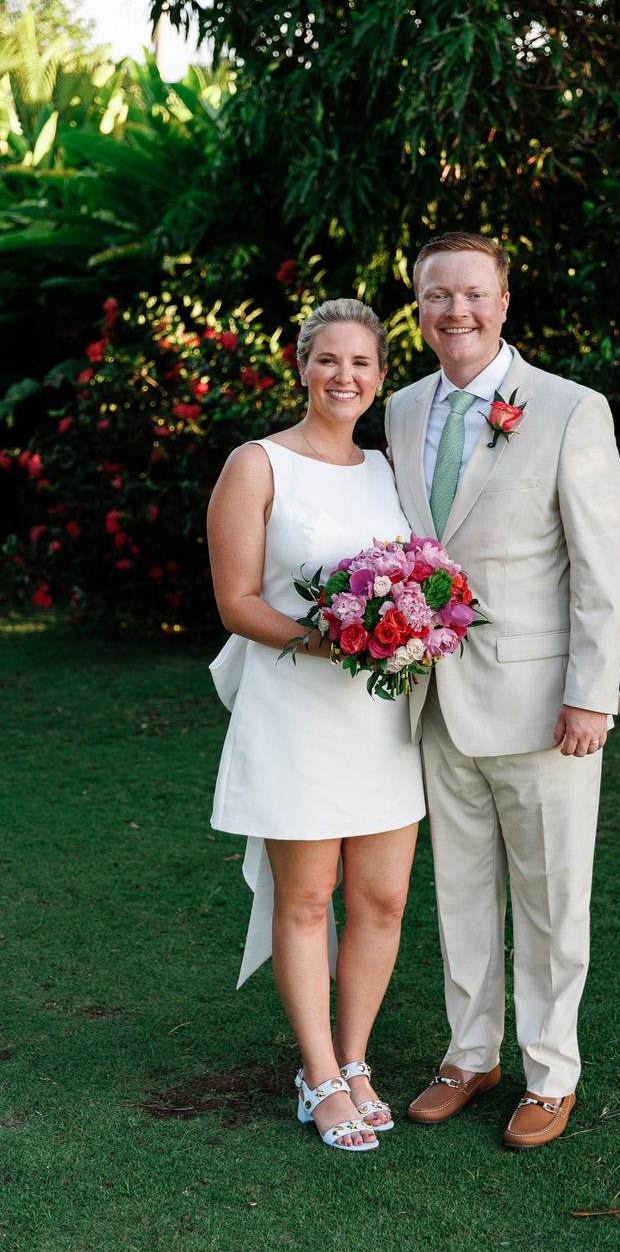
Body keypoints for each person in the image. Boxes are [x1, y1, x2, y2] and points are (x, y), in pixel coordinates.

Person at [385, 232, 620, 1150]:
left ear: (502, 302)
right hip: (433, 699)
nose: (456, 310)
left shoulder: (569, 408)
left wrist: (590, 695)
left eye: (472, 294)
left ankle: (550, 1072)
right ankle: (469, 1055)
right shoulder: (401, 409)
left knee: (551, 897)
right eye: (437, 295)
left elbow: (600, 563)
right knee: (459, 892)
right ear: (418, 307)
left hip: (541, 705)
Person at [207, 298, 425, 1152]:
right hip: (296, 708)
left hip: (380, 716)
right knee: (306, 901)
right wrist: (326, 641)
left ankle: (357, 1060)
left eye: (361, 362)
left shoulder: (387, 470)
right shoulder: (256, 464)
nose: (344, 375)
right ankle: (319, 1075)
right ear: (301, 366)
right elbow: (235, 601)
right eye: (327, 359)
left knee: (382, 898)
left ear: (379, 377)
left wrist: (409, 629)